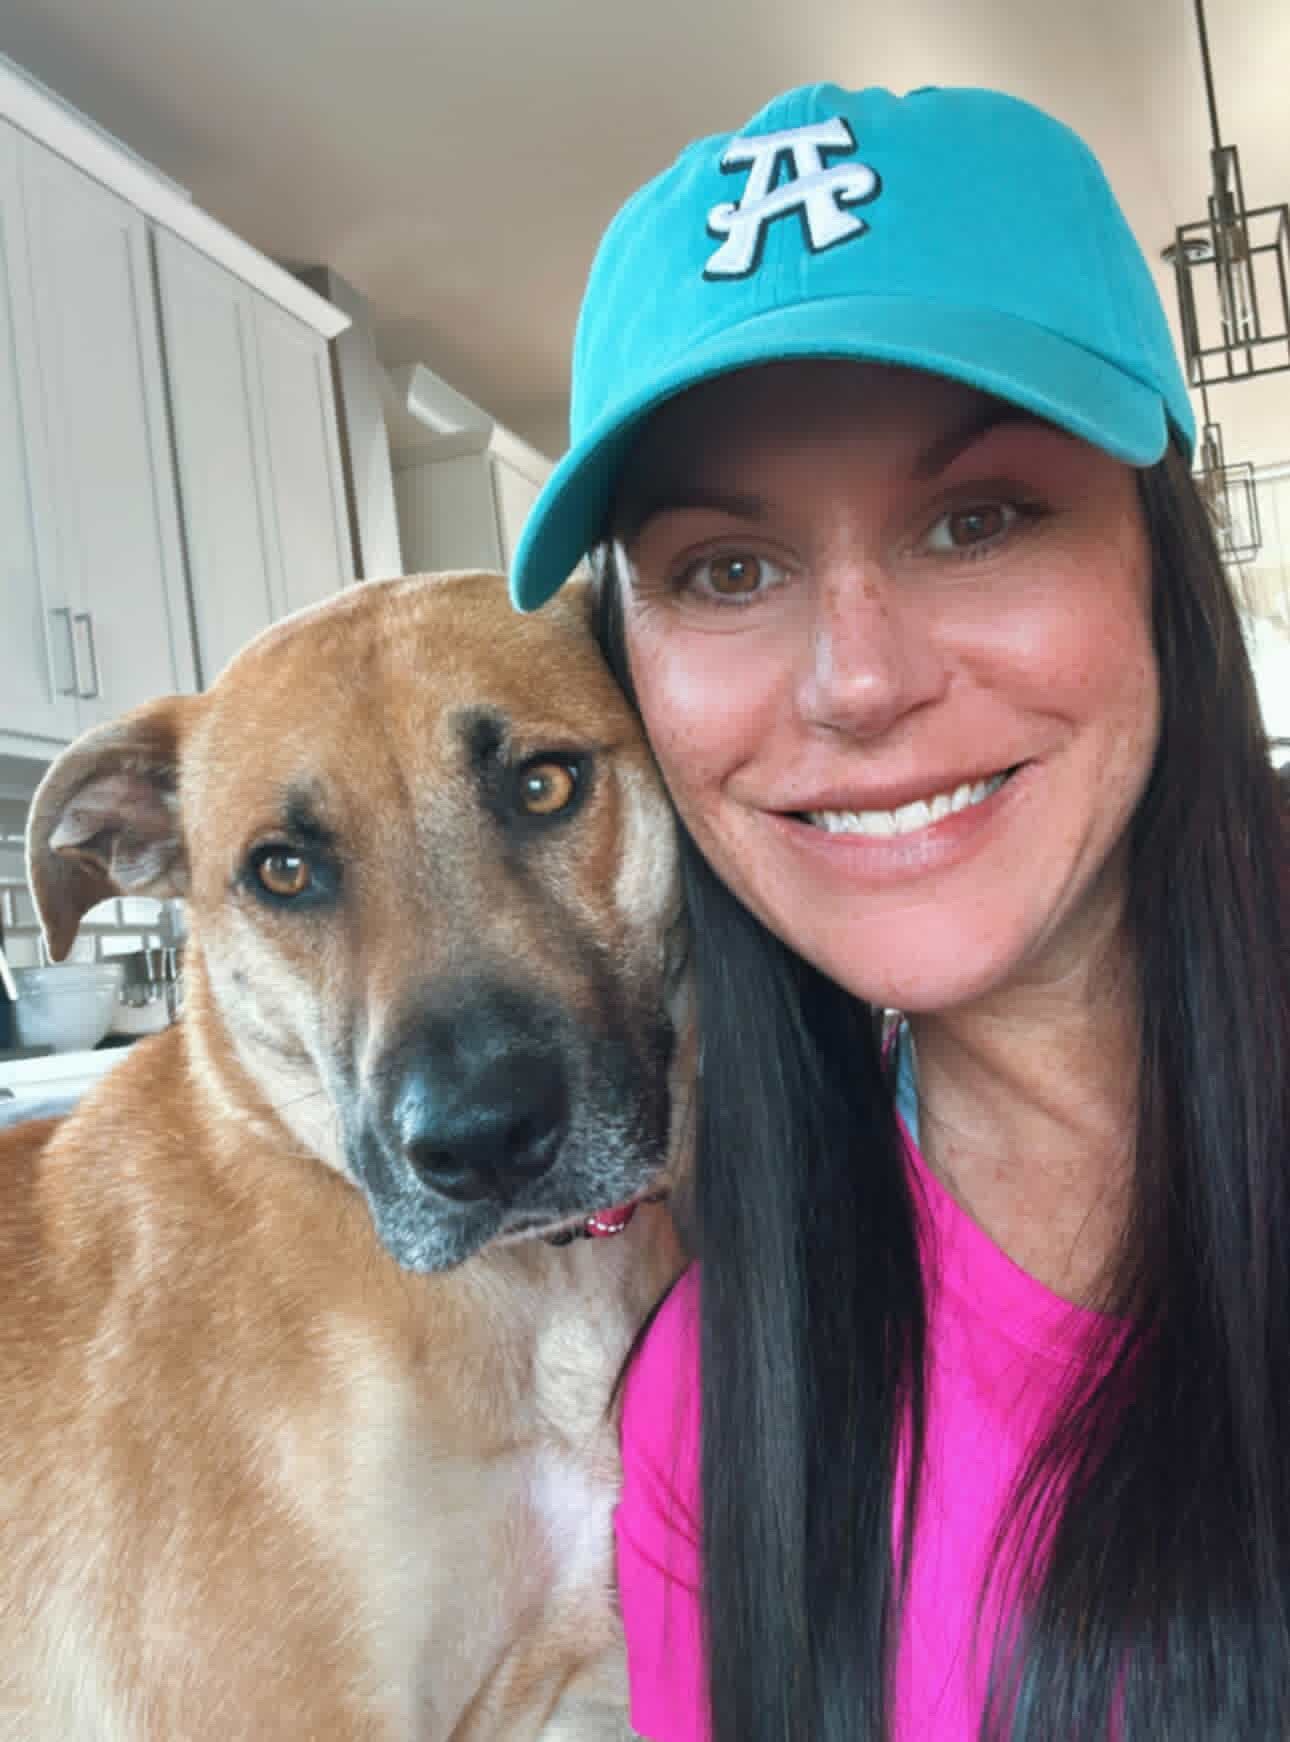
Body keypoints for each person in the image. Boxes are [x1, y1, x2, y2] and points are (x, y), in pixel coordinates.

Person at [510, 83, 1290, 1741]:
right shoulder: (712, 1414)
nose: (856, 680)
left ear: (1162, 559)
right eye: (726, 569)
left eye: (975, 519)